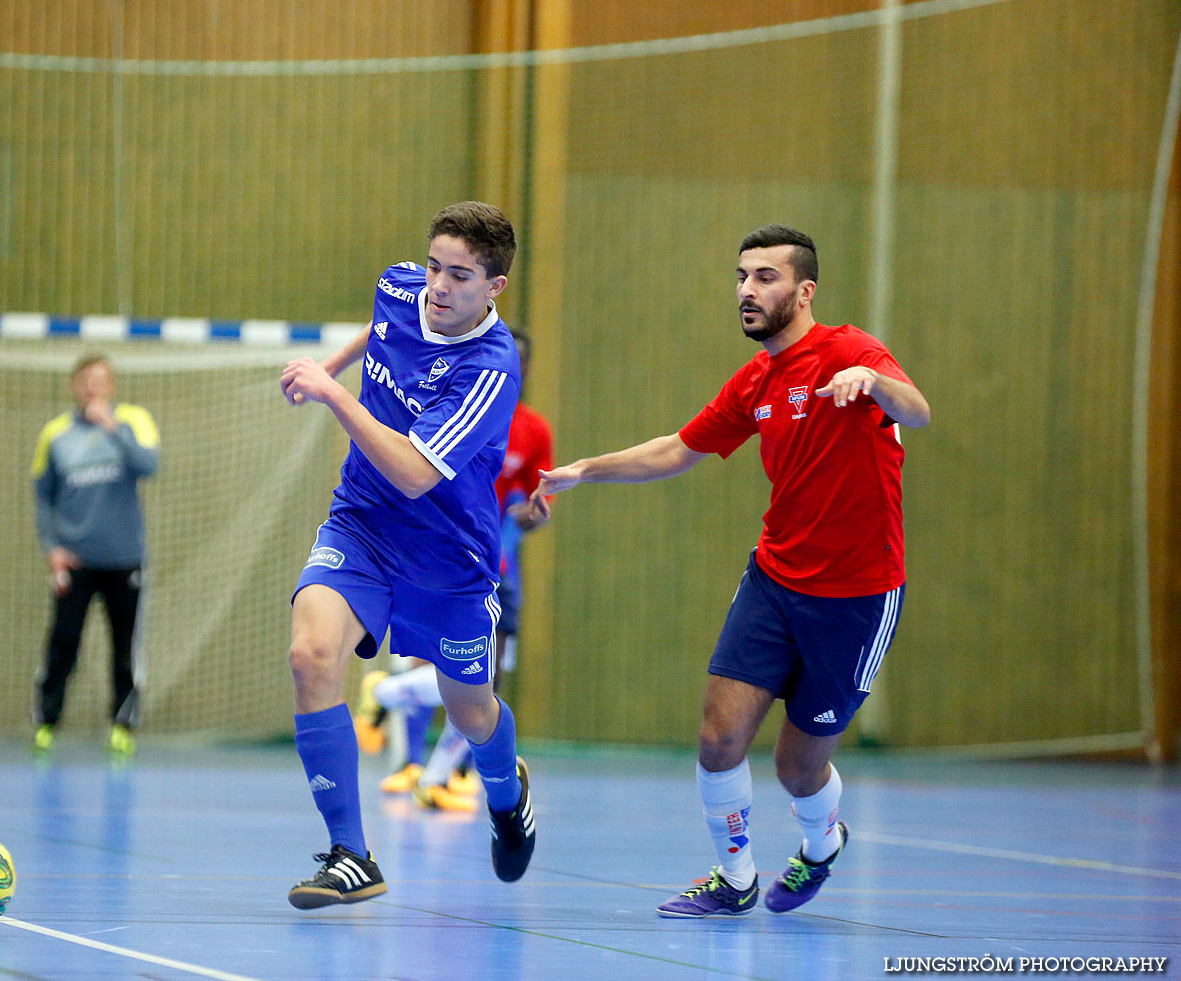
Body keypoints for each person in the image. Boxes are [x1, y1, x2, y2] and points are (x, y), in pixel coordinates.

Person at [534, 225, 929, 918]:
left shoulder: (850, 350)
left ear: (804, 291)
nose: (747, 290)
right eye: (742, 276)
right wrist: (584, 471)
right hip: (774, 581)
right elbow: (677, 450)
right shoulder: (756, 380)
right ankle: (735, 878)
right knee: (719, 739)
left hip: (858, 597)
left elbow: (917, 411)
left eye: (765, 278)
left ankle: (821, 844)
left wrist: (875, 381)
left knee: (796, 768)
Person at [280, 201, 536, 908]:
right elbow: (383, 329)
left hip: (448, 559)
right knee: (310, 655)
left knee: (470, 710)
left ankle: (506, 792)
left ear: (494, 287)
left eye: (460, 275)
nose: (438, 286)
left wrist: (334, 394)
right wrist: (333, 362)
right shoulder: (400, 287)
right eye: (434, 266)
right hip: (361, 526)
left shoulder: (489, 368)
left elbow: (416, 473)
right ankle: (351, 855)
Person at [354, 327, 554, 814]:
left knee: (485, 678)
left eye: (523, 363)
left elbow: (534, 498)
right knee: (435, 661)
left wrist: (533, 513)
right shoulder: (454, 407)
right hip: (443, 560)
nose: (516, 369)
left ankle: (437, 770)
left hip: (500, 563)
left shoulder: (532, 430)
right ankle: (412, 754)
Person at [30, 354, 159, 756]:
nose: (93, 387)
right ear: (74, 385)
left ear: (112, 386)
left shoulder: (134, 421)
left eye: (101, 380)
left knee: (124, 646)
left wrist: (113, 428)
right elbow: (42, 497)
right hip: (76, 562)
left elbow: (148, 465)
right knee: (63, 642)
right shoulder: (55, 433)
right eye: (86, 380)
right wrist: (52, 548)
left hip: (125, 561)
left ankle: (123, 726)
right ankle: (45, 724)